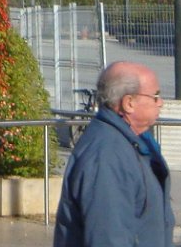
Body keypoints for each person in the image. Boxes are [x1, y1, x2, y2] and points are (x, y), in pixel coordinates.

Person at [53, 61, 173, 247]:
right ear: (129, 103)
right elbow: (107, 235)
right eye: (155, 96)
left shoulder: (130, 142)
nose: (161, 103)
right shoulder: (106, 155)